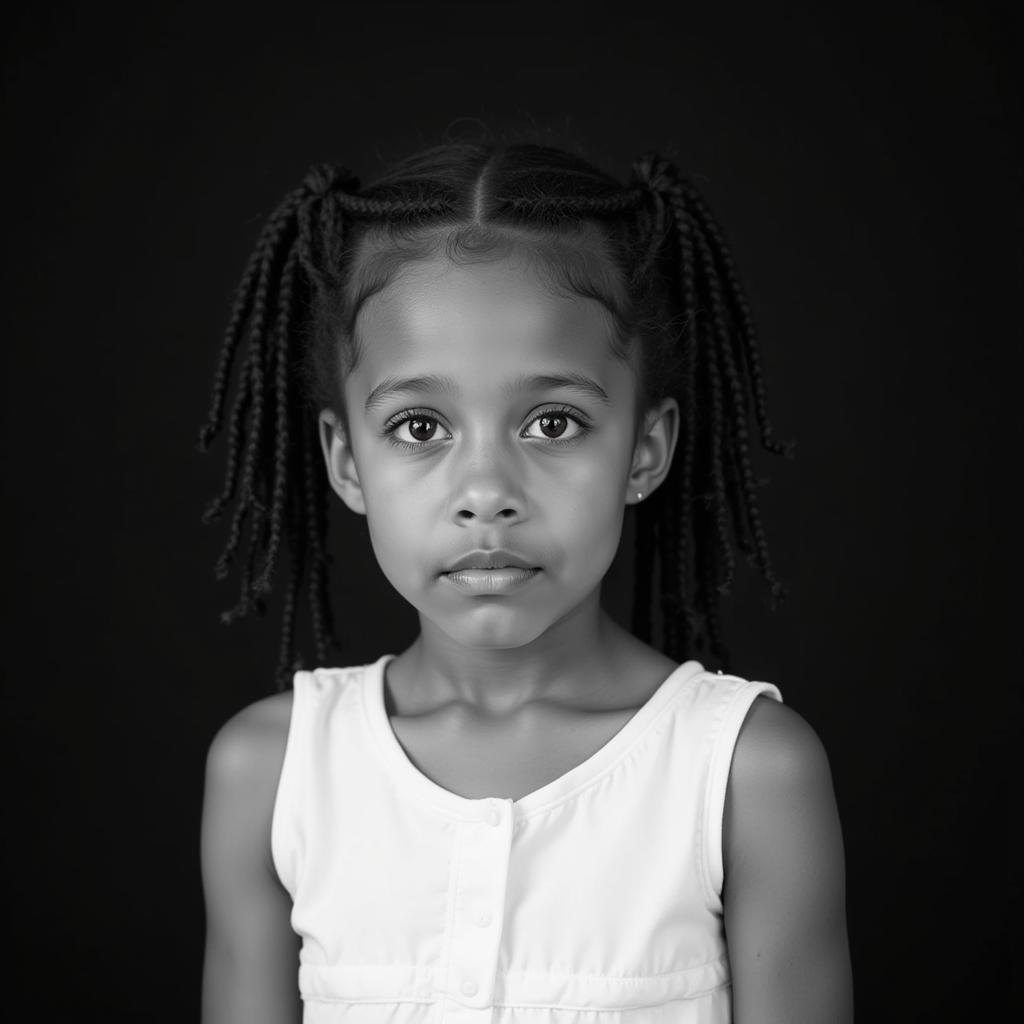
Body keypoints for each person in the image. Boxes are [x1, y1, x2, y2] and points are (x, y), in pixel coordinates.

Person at [197, 139, 853, 1024]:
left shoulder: (746, 774)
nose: (486, 495)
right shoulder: (271, 774)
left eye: (553, 422)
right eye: (420, 425)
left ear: (644, 451)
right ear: (347, 462)